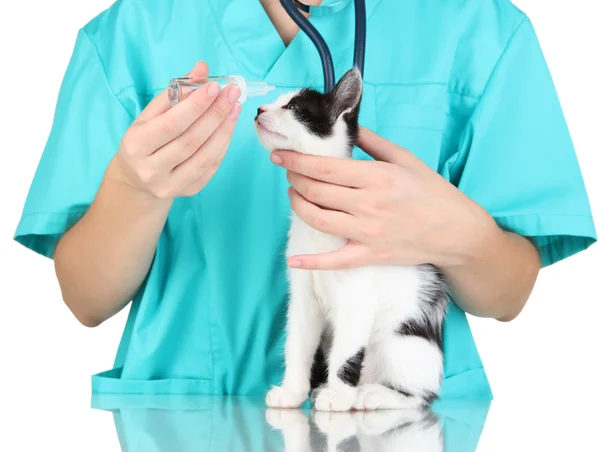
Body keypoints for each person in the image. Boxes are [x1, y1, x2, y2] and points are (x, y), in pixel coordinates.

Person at [14, 0, 596, 398]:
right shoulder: (130, 33)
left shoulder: (479, 28)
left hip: (394, 413)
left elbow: (509, 294)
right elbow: (85, 298)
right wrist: (134, 187)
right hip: (184, 413)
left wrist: (456, 234)